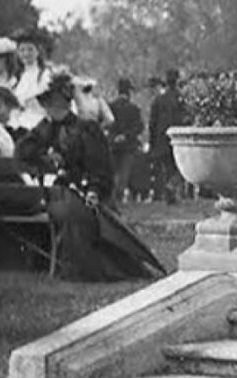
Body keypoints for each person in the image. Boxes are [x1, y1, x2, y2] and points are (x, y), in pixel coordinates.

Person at [15, 71, 164, 281]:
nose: (52, 108)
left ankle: (83, 269)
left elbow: (100, 167)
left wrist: (94, 189)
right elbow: (23, 152)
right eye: (48, 103)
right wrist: (47, 158)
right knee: (66, 210)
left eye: (57, 103)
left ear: (68, 103)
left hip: (89, 191)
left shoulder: (87, 128)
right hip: (59, 191)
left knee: (81, 216)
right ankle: (69, 266)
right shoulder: (45, 129)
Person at [147, 68, 187, 204]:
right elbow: (187, 119)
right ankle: (171, 189)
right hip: (179, 138)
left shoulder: (159, 100)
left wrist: (152, 142)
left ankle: (170, 195)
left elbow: (152, 123)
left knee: (168, 168)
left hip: (161, 139)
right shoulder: (182, 99)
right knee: (181, 168)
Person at [106, 78, 146, 207]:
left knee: (112, 172)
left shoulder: (109, 107)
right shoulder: (133, 109)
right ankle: (119, 198)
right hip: (128, 146)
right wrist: (126, 135)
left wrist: (114, 136)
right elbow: (139, 127)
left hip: (111, 145)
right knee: (124, 173)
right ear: (129, 92)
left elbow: (106, 124)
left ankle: (112, 198)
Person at [10, 28, 56, 131]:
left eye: (30, 49)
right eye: (22, 50)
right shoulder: (17, 78)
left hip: (40, 122)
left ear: (38, 52)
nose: (26, 54)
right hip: (19, 122)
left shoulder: (44, 75)